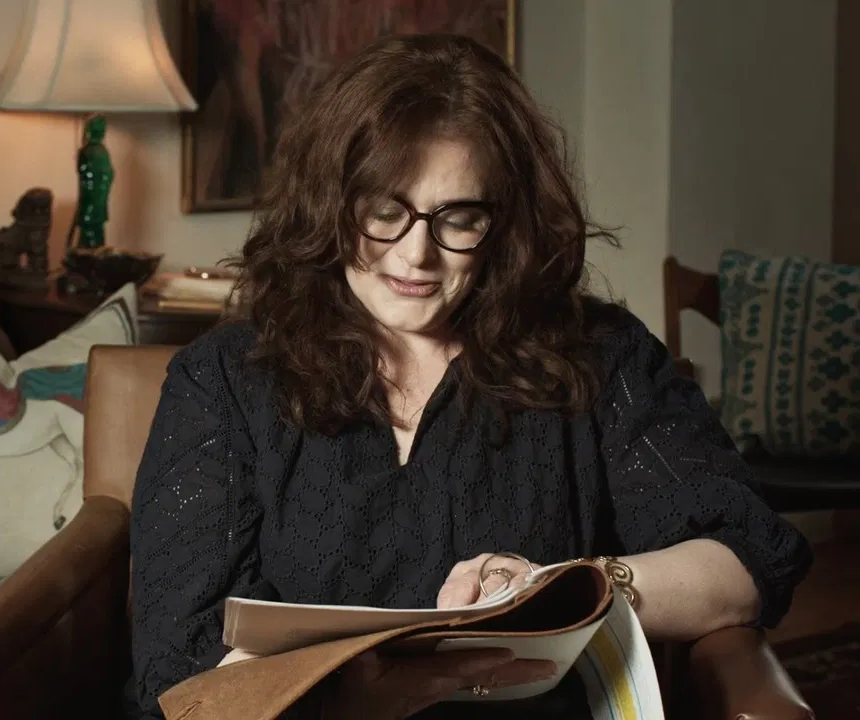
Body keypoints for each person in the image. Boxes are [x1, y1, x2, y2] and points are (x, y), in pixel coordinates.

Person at [127, 34, 812, 720]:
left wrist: (566, 588)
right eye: (384, 211)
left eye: (458, 219)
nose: (416, 254)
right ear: (330, 204)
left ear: (505, 224)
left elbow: (748, 558)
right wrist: (348, 704)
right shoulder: (224, 380)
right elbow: (178, 662)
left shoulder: (602, 357)